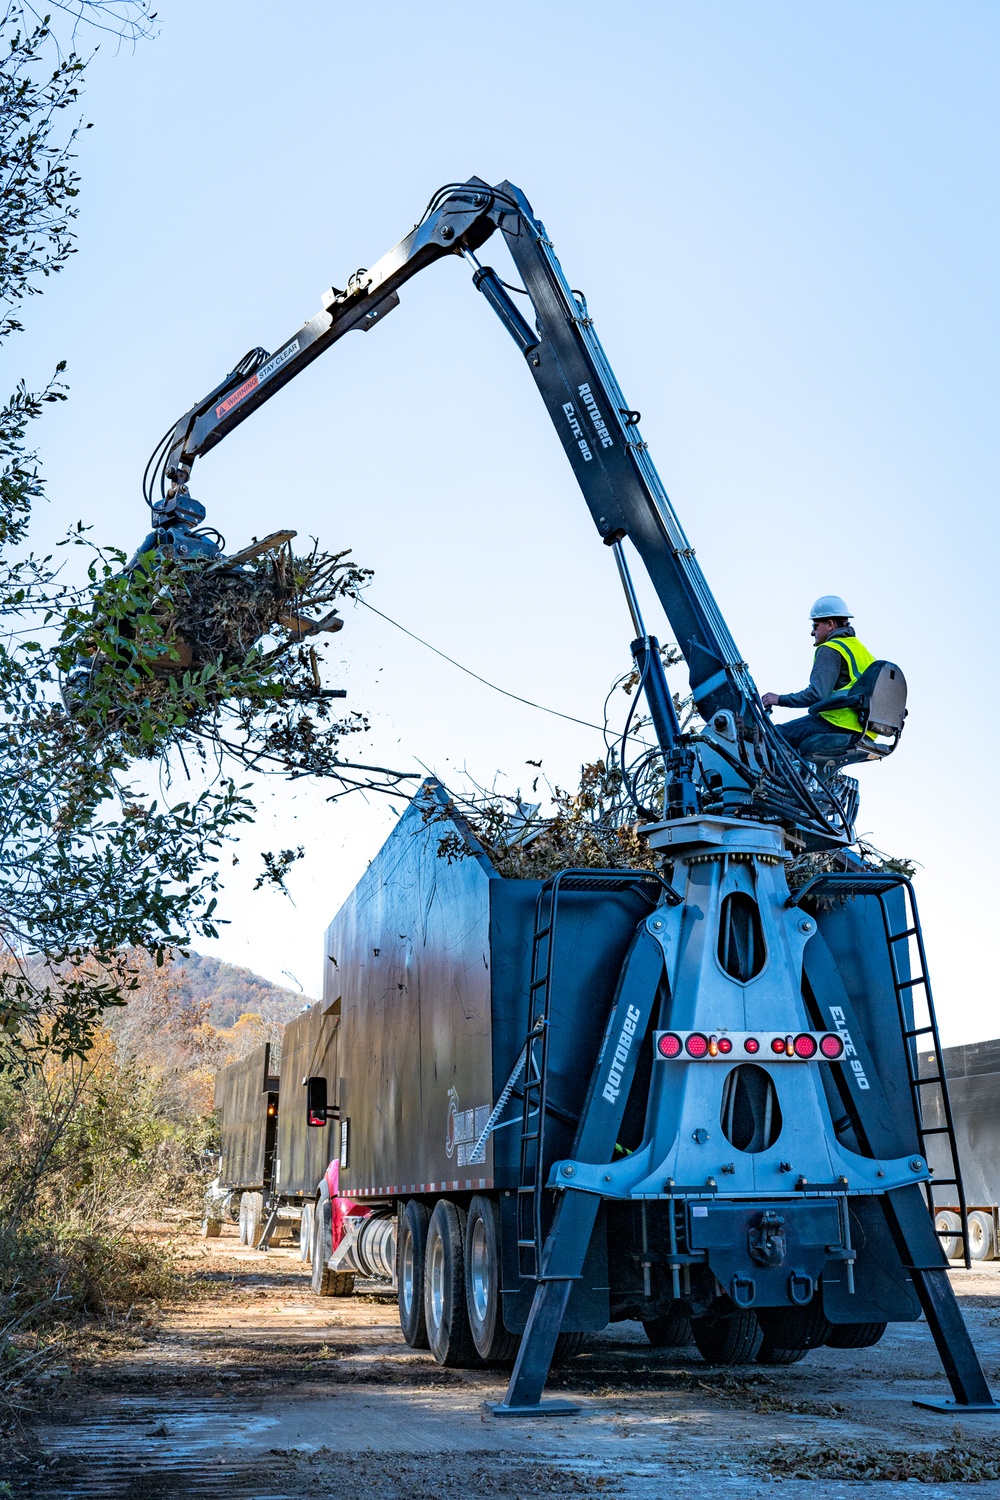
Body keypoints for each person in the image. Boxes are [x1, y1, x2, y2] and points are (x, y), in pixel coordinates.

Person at [761, 595, 875, 760]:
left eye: (815, 625)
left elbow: (817, 695)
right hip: (867, 731)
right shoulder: (862, 651)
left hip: (838, 723)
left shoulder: (830, 648)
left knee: (773, 736)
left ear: (830, 624)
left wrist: (779, 699)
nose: (812, 632)